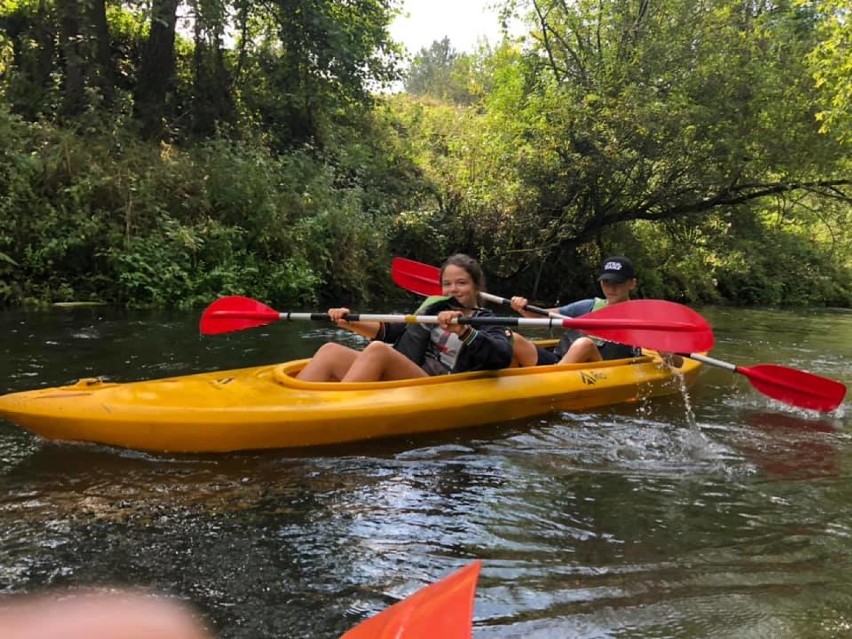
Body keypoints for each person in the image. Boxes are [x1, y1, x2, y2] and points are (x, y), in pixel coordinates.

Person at [296, 254, 514, 382]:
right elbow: (389, 331)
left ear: (476, 286)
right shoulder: (432, 309)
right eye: (447, 284)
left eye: (461, 283)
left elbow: (501, 356)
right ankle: (292, 406)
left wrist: (464, 331)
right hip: (406, 374)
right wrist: (349, 321)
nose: (453, 290)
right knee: (330, 350)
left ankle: (334, 412)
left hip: (436, 386)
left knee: (378, 350)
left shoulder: (485, 319)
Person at [510, 256, 683, 367]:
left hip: (598, 370)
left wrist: (665, 351)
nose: (611, 287)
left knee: (584, 344)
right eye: (607, 282)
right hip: (560, 361)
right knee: (513, 339)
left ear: (632, 283)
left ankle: (548, 383)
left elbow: (678, 362)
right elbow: (540, 316)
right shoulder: (587, 306)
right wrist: (522, 307)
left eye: (618, 282)